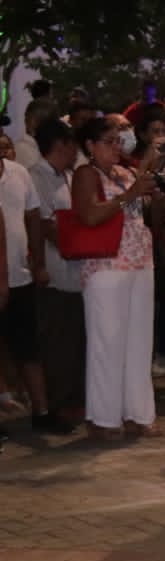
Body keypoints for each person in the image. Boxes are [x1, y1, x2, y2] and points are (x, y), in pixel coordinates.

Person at [72, 117, 163, 441]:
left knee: (139, 342)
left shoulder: (126, 173)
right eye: (108, 142)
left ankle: (138, 413)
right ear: (90, 146)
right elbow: (90, 215)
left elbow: (147, 214)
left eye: (117, 141)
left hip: (139, 261)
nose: (115, 147)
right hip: (106, 266)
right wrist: (130, 195)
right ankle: (103, 418)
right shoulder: (86, 174)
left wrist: (148, 186)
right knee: (107, 343)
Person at [28, 119, 87, 427]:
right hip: (54, 270)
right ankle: (60, 403)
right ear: (61, 144)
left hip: (78, 271)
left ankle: (77, 399)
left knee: (77, 338)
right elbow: (42, 223)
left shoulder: (68, 176)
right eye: (72, 144)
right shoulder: (35, 177)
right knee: (58, 341)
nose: (75, 150)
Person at [0, 135, 57, 431]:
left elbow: (33, 217)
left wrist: (38, 263)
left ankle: (42, 412)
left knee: (28, 346)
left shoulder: (18, 173)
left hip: (19, 274)